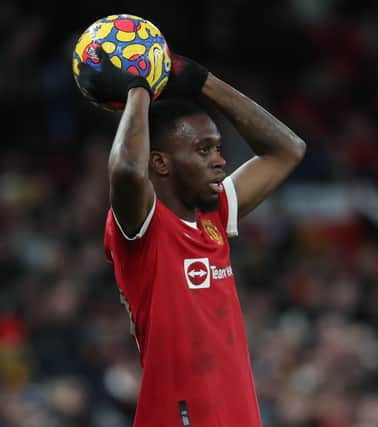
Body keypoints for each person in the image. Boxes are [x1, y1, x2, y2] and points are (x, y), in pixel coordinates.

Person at [77, 48, 306, 427]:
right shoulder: (143, 229)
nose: (220, 160)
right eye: (203, 150)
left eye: (217, 148)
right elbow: (127, 173)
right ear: (161, 162)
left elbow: (287, 150)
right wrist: (139, 87)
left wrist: (205, 82)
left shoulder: (212, 215)